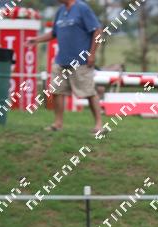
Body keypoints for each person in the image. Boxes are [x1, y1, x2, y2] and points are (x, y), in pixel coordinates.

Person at [26, 0, 104, 134]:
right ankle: (58, 124)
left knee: (89, 93)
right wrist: (36, 40)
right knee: (57, 91)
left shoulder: (82, 8)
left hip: (81, 61)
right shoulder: (60, 11)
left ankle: (99, 124)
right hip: (61, 60)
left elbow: (97, 31)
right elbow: (53, 33)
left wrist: (92, 53)